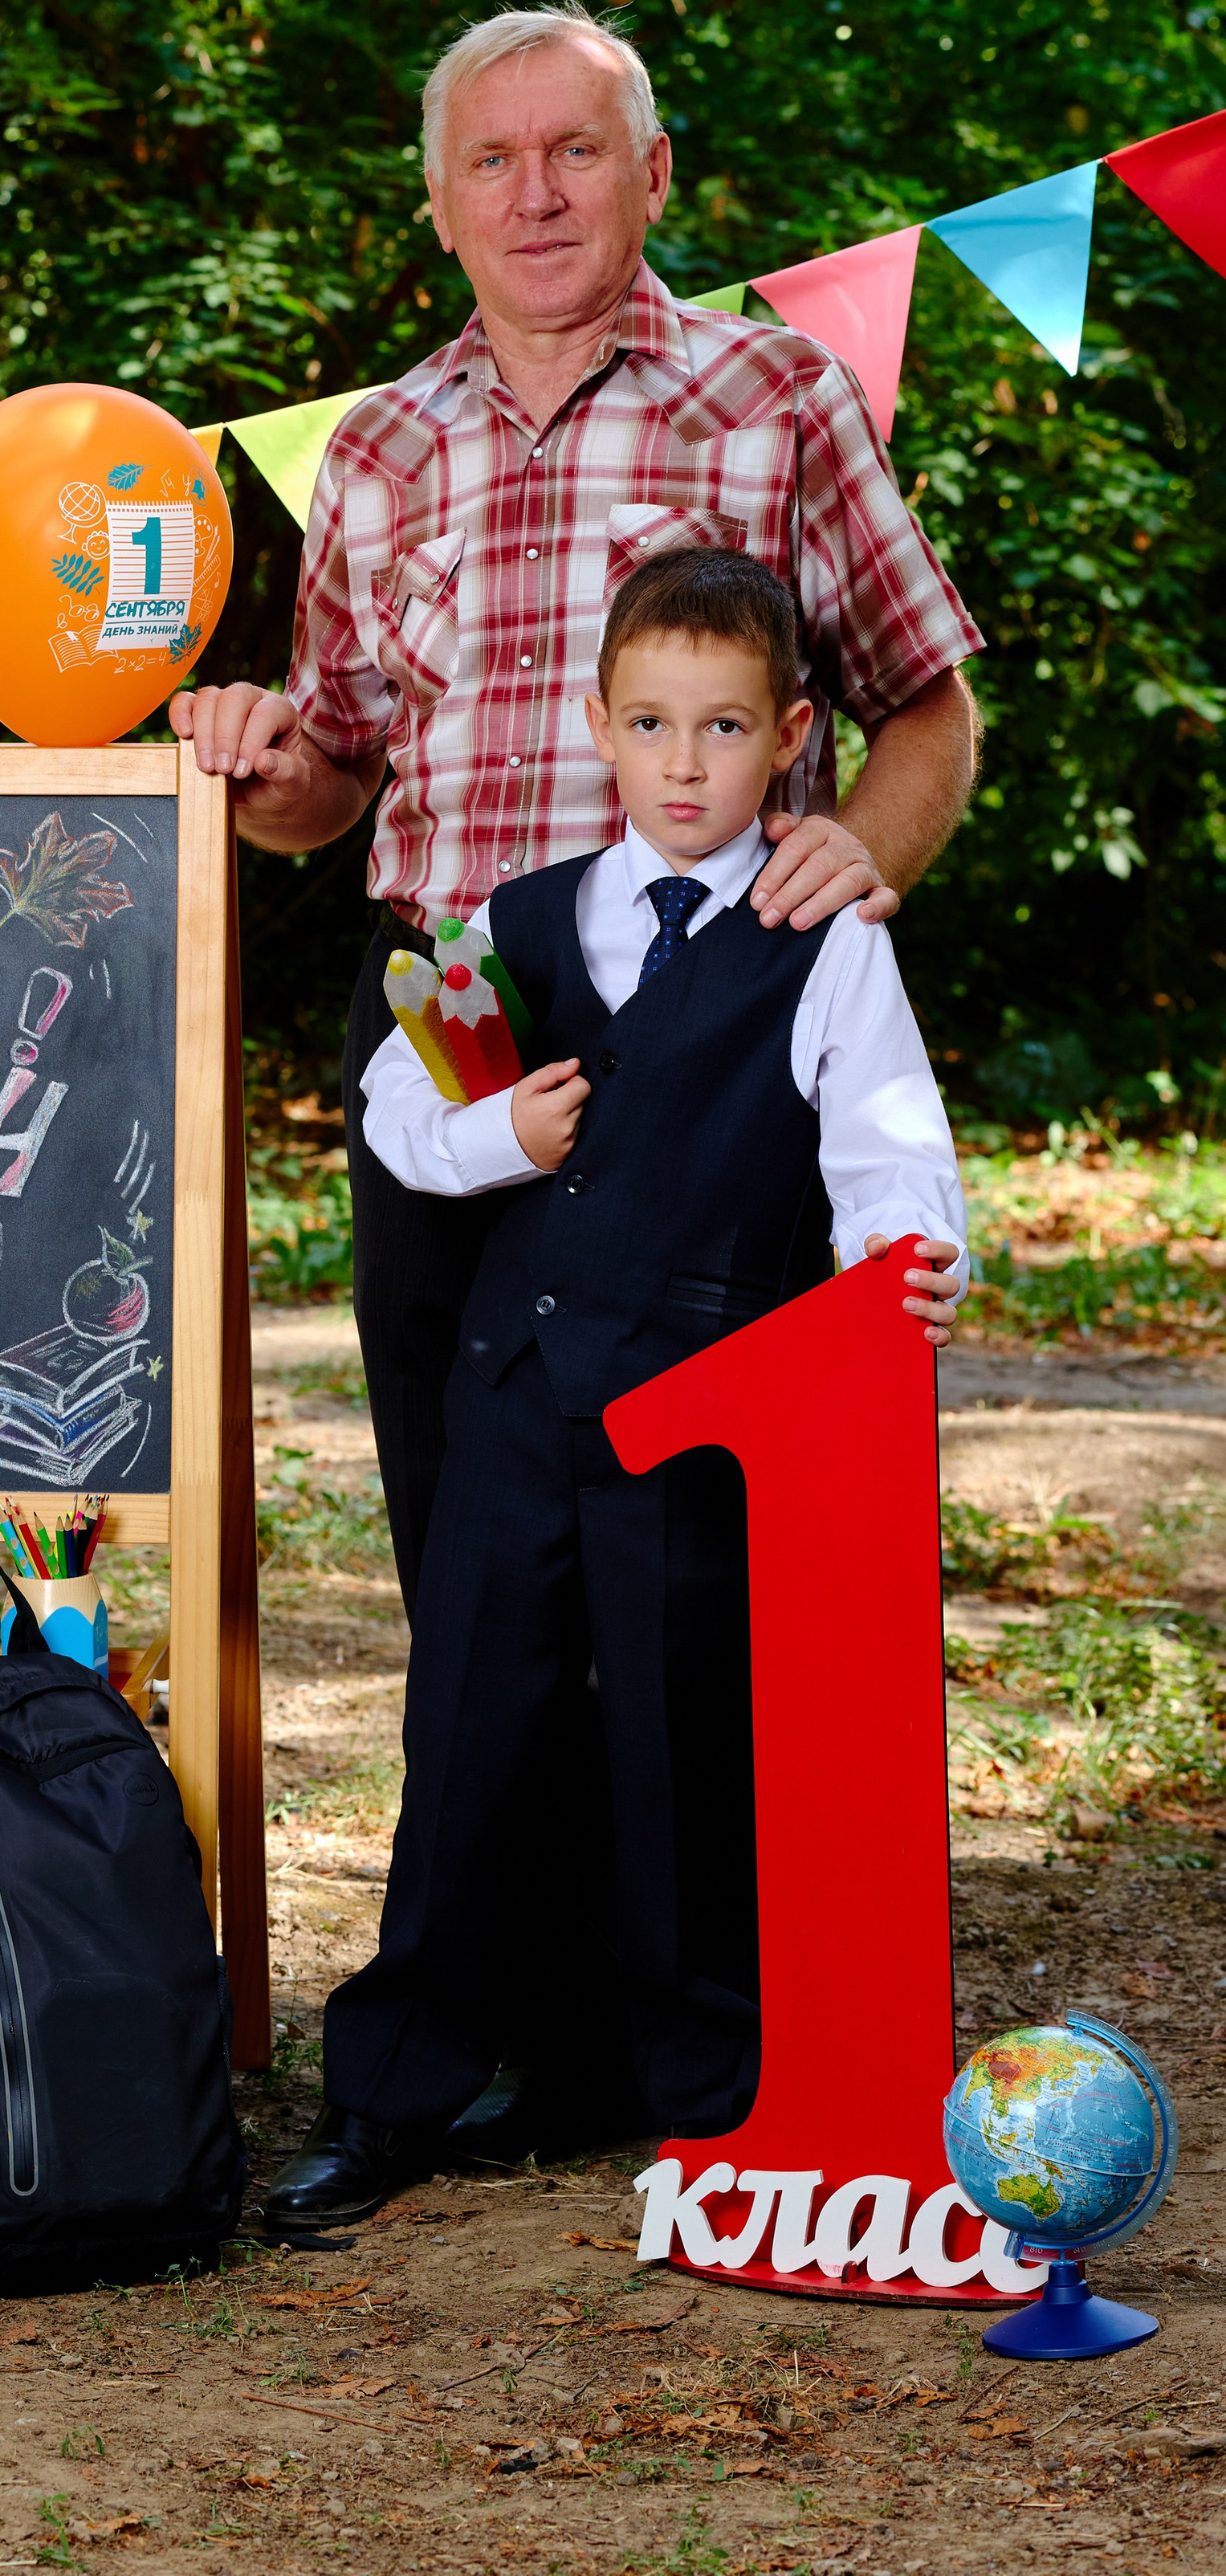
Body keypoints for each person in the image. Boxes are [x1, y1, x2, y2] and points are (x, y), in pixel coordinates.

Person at [168, 5, 982, 1640]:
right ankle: (487, 1806)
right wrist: (258, 769)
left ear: (651, 175)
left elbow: (928, 708)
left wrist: (859, 860)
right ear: (438, 204)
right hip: (450, 1012)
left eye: (573, 151)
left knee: (702, 1487)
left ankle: (694, 1810)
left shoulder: (781, 396)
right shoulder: (377, 449)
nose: (532, 193)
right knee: (456, 1470)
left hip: (716, 1009)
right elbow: (334, 775)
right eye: (490, 160)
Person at [260, 551, 967, 2232]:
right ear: (595, 727)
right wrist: (494, 1138)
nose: (682, 763)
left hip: (705, 1408)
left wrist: (905, 1265)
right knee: (470, 1725)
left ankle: (705, 2093)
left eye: (721, 728)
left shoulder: (824, 941)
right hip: (514, 1395)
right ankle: (392, 2086)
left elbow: (883, 1144)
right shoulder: (515, 924)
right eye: (649, 724)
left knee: (681, 1735)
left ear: (787, 738)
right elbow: (394, 1109)